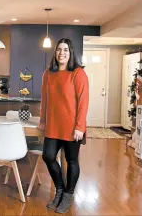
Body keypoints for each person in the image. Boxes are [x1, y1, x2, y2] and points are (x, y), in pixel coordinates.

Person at [38, 38, 89, 214]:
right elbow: (45, 99)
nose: (62, 53)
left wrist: (80, 126)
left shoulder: (78, 73)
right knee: (48, 156)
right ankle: (60, 189)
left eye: (65, 50)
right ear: (55, 53)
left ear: (70, 52)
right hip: (53, 124)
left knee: (72, 160)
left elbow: (83, 101)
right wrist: (43, 119)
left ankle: (68, 194)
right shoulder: (48, 74)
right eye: (59, 49)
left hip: (72, 126)